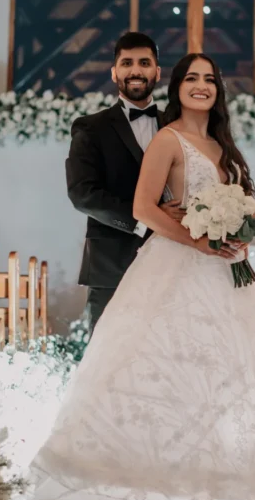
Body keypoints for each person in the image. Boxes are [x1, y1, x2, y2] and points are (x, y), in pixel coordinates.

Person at [29, 53, 255, 500]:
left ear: (218, 90)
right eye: (191, 78)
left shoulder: (223, 147)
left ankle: (207, 490)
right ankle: (164, 491)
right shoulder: (168, 140)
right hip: (175, 266)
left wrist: (239, 236)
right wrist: (196, 240)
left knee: (224, 375)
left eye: (209, 79)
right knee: (171, 370)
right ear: (175, 87)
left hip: (227, 274)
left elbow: (241, 207)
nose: (201, 86)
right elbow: (143, 208)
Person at [65, 32, 184, 331]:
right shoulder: (90, 128)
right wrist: (147, 218)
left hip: (176, 262)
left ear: (157, 72)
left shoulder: (178, 125)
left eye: (144, 63)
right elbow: (83, 194)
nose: (135, 70)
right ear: (114, 72)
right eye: (126, 62)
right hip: (111, 266)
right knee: (109, 360)